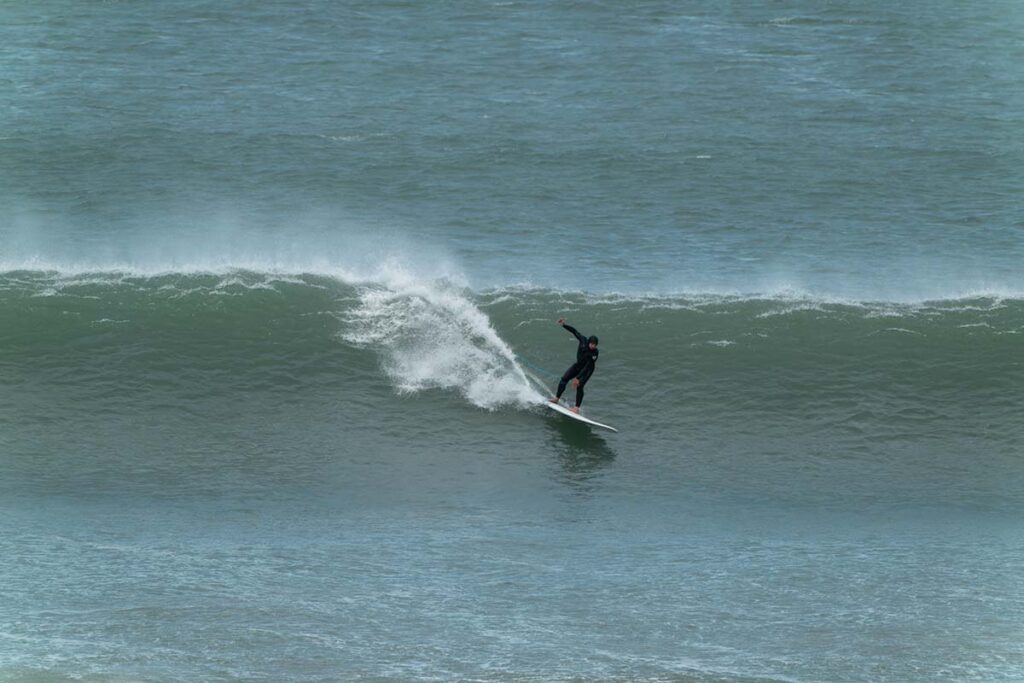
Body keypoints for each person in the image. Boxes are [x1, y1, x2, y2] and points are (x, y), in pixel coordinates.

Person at [549, 318, 599, 413]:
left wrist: (578, 378)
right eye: (592, 344)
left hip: (587, 370)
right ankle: (556, 399)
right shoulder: (583, 340)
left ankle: (576, 408)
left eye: (595, 345)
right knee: (563, 379)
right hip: (578, 365)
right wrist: (564, 325)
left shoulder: (595, 353)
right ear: (588, 342)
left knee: (579, 386)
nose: (593, 346)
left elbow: (588, 366)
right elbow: (574, 331)